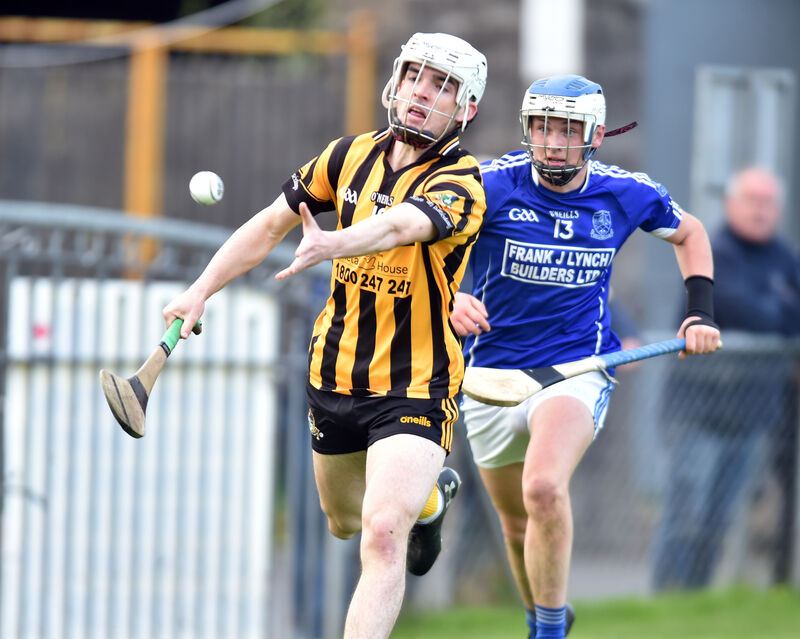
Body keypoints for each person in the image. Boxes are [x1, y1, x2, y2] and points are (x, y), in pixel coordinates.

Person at [162, 33, 488, 639]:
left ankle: (412, 508)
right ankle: (431, 501)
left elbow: (403, 224)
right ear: (396, 80)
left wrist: (337, 241)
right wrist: (199, 290)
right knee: (343, 520)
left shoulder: (464, 183)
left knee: (382, 533)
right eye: (416, 75)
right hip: (333, 374)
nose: (423, 91)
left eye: (443, 86)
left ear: (465, 110)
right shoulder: (347, 155)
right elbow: (267, 226)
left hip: (415, 383)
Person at [449, 74, 720, 639]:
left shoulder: (626, 193)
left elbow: (691, 233)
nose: (552, 141)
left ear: (594, 135)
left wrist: (701, 312)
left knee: (544, 488)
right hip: (489, 375)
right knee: (517, 525)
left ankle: (548, 632)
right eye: (542, 127)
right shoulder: (488, 185)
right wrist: (452, 296)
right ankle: (543, 615)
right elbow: (426, 245)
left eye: (566, 129)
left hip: (575, 370)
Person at [651, 167, 800, 590]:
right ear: (731, 204)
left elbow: (786, 315)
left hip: (752, 416)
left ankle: (696, 600)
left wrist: (775, 310)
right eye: (752, 200)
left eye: (768, 202)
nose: (760, 210)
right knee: (686, 513)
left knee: (720, 518)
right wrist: (778, 307)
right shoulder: (712, 252)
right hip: (697, 412)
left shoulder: (784, 258)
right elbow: (741, 309)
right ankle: (666, 599)